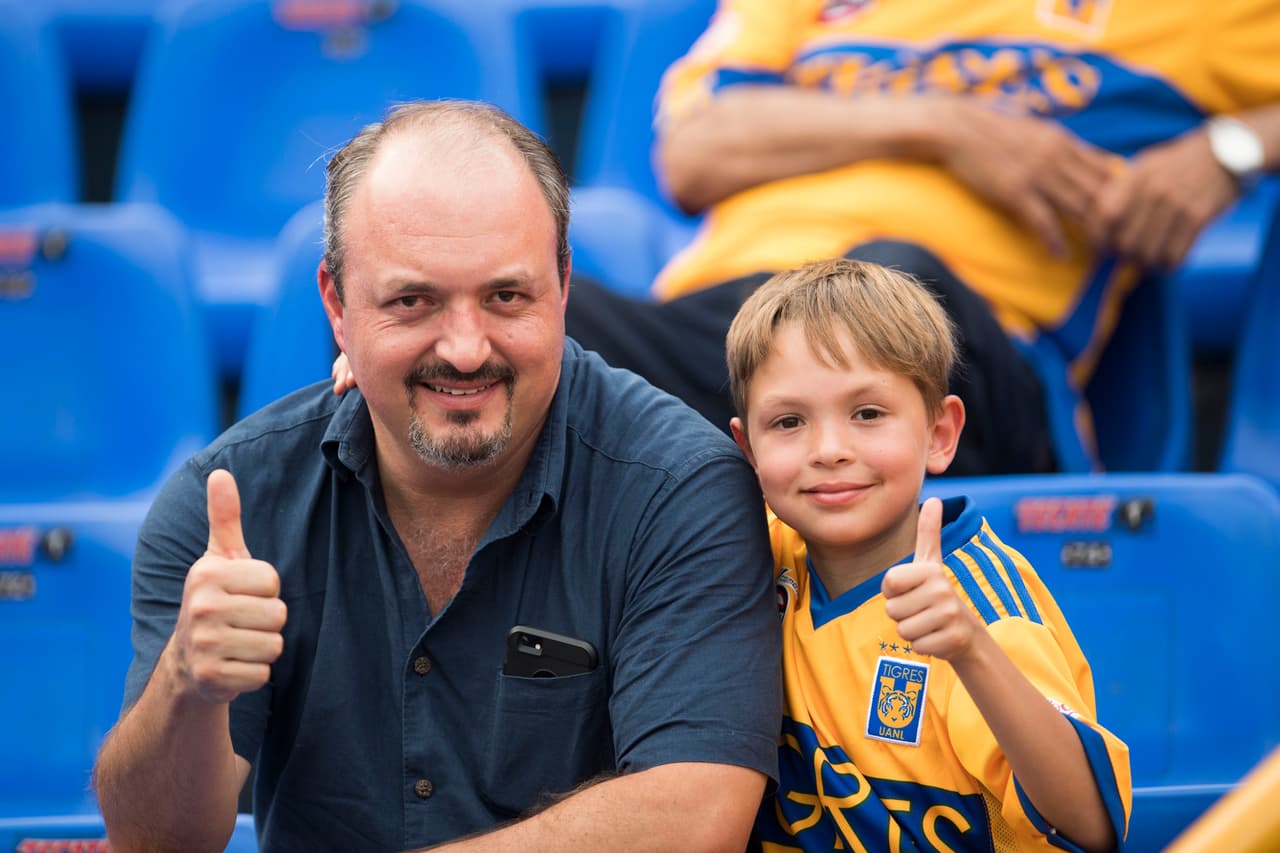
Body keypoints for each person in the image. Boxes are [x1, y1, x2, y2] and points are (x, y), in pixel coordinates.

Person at [92, 100, 783, 853]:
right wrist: (187, 688)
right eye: (413, 301)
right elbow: (153, 840)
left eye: (504, 296)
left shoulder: (679, 486)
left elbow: (693, 819)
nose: (462, 347)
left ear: (562, 285)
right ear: (337, 303)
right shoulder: (227, 499)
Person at [563, 0, 1280, 476]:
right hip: (724, 332)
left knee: (882, 292)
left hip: (959, 349)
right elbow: (694, 152)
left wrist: (1232, 147)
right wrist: (943, 128)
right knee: (514, 323)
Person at [725, 258, 1132, 851]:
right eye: (789, 422)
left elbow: (1092, 826)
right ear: (749, 448)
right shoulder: (746, 546)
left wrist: (969, 648)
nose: (830, 449)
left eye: (867, 413)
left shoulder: (984, 609)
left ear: (940, 434)